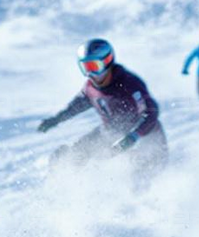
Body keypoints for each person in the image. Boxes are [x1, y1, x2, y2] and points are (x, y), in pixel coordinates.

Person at [36, 37, 166, 161]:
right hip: (112, 131)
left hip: (146, 137)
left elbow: (151, 112)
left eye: (94, 67)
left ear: (107, 61)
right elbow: (75, 107)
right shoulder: (90, 88)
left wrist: (134, 136)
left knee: (128, 166)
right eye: (86, 68)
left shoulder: (129, 84)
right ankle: (65, 175)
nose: (91, 74)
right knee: (76, 154)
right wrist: (56, 119)